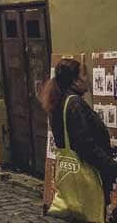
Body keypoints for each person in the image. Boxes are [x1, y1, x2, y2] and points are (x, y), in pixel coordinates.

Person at [41, 57, 117, 222]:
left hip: (71, 172)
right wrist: (111, 167)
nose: (86, 79)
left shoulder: (58, 100)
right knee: (91, 214)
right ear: (75, 81)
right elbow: (84, 145)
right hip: (86, 173)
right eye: (83, 75)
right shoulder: (74, 104)